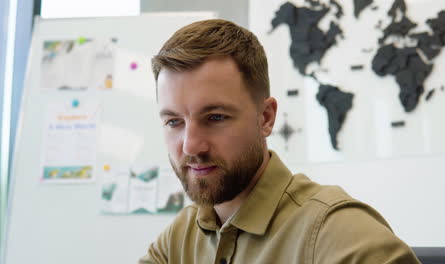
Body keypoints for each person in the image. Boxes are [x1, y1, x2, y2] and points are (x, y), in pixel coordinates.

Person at [139, 19, 421, 264]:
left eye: (215, 117)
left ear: (265, 118)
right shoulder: (179, 238)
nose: (190, 146)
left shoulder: (336, 232)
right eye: (174, 122)